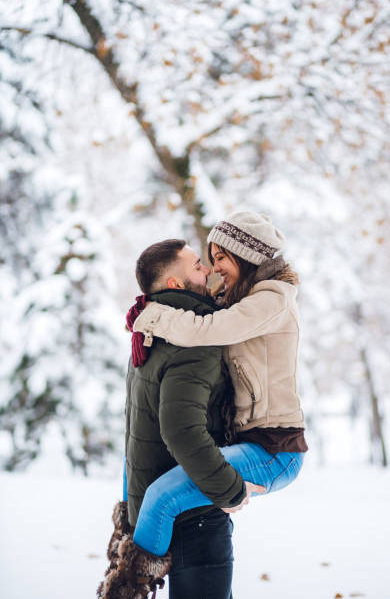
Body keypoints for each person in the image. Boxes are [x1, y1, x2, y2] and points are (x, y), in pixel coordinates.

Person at [125, 211, 307, 592]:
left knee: (161, 496)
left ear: (244, 256)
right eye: (207, 259)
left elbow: (208, 328)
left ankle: (128, 586)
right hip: (248, 443)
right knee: (160, 495)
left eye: (220, 257)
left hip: (275, 448)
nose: (213, 268)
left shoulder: (271, 299)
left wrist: (153, 313)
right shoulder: (235, 299)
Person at [97, 238, 263, 599]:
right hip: (193, 510)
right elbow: (181, 431)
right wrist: (230, 491)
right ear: (175, 284)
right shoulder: (192, 337)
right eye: (197, 266)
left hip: (155, 499)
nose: (207, 270)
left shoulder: (152, 330)